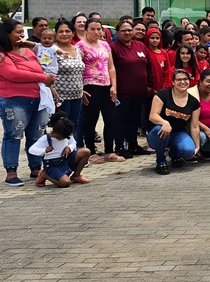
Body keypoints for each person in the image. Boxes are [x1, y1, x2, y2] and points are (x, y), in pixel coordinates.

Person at [0, 20, 55, 186]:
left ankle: (35, 168)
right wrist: (41, 77)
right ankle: (11, 172)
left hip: (37, 99)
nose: (22, 35)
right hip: (14, 100)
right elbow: (14, 74)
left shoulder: (28, 50)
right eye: (18, 32)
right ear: (6, 34)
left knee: (36, 135)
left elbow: (42, 64)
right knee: (14, 134)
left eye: (22, 32)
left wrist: (46, 76)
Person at [77, 18, 121, 162]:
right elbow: (77, 69)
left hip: (106, 86)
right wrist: (80, 89)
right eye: (93, 29)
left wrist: (114, 86)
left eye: (99, 29)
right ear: (86, 30)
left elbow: (111, 67)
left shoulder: (105, 45)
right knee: (90, 120)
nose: (96, 32)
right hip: (90, 86)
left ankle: (109, 150)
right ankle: (91, 152)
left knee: (111, 118)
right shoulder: (80, 46)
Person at [109, 19, 155, 158]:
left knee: (134, 120)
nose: (127, 33)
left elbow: (149, 66)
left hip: (140, 91)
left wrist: (150, 85)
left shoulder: (140, 46)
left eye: (130, 30)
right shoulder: (113, 47)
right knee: (120, 120)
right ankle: (120, 147)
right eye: (123, 30)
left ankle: (133, 145)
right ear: (117, 32)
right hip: (122, 92)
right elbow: (110, 69)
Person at [147, 69, 201, 175]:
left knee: (189, 150)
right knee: (161, 130)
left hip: (178, 133)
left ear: (189, 81)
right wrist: (164, 123)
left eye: (185, 79)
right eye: (178, 79)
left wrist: (197, 146)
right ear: (173, 82)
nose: (182, 82)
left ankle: (175, 155)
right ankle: (161, 161)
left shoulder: (194, 102)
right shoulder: (162, 95)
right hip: (157, 133)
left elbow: (194, 126)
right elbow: (152, 116)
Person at [30, 111, 91, 187]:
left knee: (86, 152)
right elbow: (32, 149)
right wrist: (44, 150)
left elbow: (73, 143)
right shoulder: (46, 138)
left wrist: (69, 148)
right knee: (66, 183)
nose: (62, 139)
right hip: (53, 164)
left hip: (66, 159)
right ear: (55, 132)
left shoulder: (66, 134)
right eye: (60, 138)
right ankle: (45, 175)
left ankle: (76, 175)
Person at [51, 20, 85, 144]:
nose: (64, 34)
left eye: (67, 31)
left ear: (73, 33)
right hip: (60, 96)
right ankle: (59, 155)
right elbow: (46, 73)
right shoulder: (52, 51)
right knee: (61, 126)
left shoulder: (77, 50)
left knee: (74, 125)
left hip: (77, 95)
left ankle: (73, 152)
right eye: (61, 31)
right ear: (56, 34)